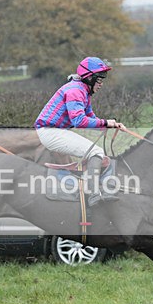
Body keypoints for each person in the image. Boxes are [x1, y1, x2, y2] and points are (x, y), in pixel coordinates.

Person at [34, 56, 126, 206]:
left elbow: (90, 117)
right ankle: (93, 193)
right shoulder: (75, 91)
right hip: (50, 132)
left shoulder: (83, 91)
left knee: (96, 151)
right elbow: (79, 121)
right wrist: (106, 122)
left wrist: (110, 125)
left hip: (56, 131)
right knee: (96, 152)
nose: (101, 84)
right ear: (89, 77)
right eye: (99, 79)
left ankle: (93, 188)